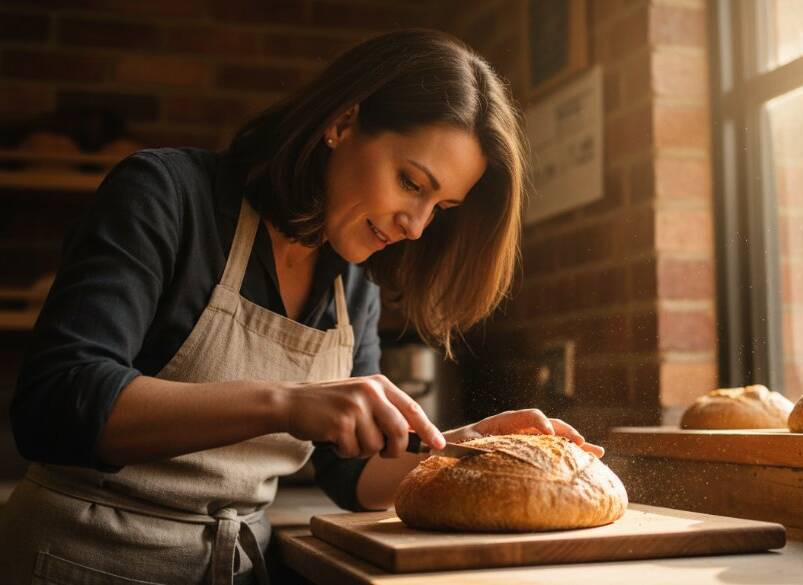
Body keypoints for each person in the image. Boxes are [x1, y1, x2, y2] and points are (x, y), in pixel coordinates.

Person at [0, 29, 604, 584]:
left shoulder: (352, 285)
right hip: (78, 559)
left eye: (439, 208)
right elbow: (56, 404)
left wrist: (459, 453)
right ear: (343, 121)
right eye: (411, 183)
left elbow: (354, 477)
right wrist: (286, 403)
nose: (417, 226)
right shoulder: (167, 196)